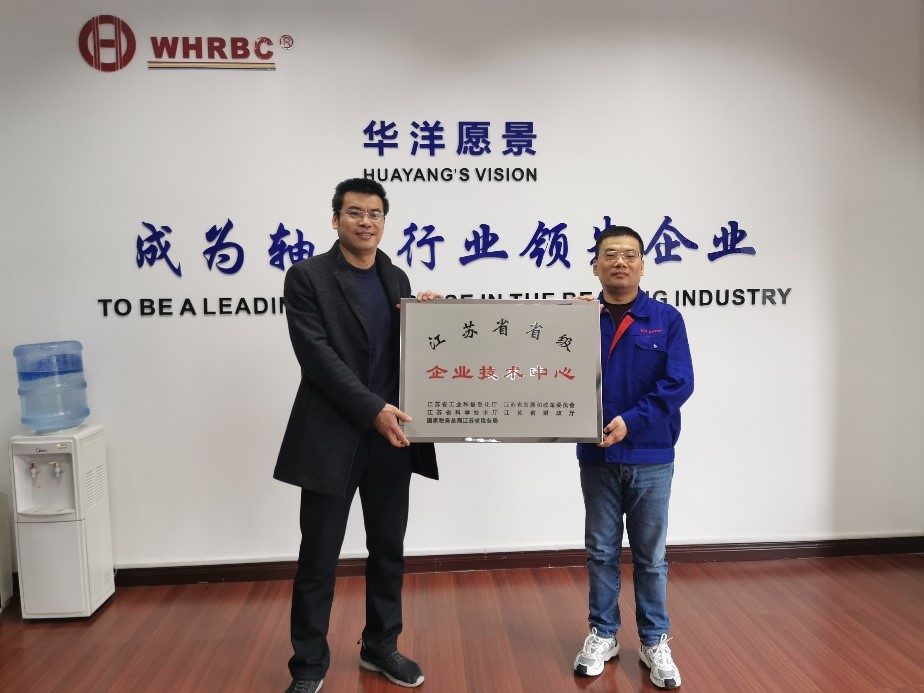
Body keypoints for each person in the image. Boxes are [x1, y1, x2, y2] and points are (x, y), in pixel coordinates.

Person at [275, 178, 439, 693]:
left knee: (389, 549)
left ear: (384, 222)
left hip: (392, 439)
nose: (365, 222)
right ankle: (308, 666)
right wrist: (372, 410)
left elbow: (410, 351)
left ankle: (380, 646)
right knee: (319, 557)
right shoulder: (307, 277)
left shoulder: (396, 276)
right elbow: (316, 356)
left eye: (374, 214)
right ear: (335, 219)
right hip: (332, 435)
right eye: (354, 212)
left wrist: (431, 318)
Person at [572, 225, 694, 689]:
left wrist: (632, 420)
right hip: (596, 455)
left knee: (651, 556)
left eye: (629, 254)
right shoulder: (578, 318)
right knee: (601, 551)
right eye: (610, 254)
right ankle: (603, 633)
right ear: (595, 266)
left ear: (643, 265)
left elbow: (679, 382)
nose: (619, 262)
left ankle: (654, 639)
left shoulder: (666, 319)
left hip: (650, 454)